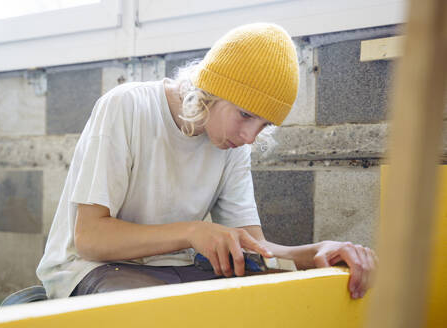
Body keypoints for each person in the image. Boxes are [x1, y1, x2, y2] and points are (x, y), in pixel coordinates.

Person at [37, 23, 377, 300]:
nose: (249, 137)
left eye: (264, 125)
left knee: (260, 298)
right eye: (245, 115)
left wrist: (317, 253)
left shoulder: (232, 145)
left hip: (179, 269)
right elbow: (90, 237)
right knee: (155, 312)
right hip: (91, 267)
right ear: (211, 90)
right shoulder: (126, 107)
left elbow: (256, 250)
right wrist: (192, 232)